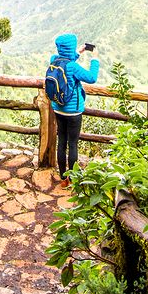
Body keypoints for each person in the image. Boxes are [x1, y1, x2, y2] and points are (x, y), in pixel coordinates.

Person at [47, 33, 100, 184]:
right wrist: (94, 58)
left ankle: (64, 178)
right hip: (73, 111)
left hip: (58, 108)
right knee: (73, 144)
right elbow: (91, 77)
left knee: (61, 141)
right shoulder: (73, 67)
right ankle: (73, 178)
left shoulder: (54, 60)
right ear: (70, 48)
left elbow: (66, 60)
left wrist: (79, 52)